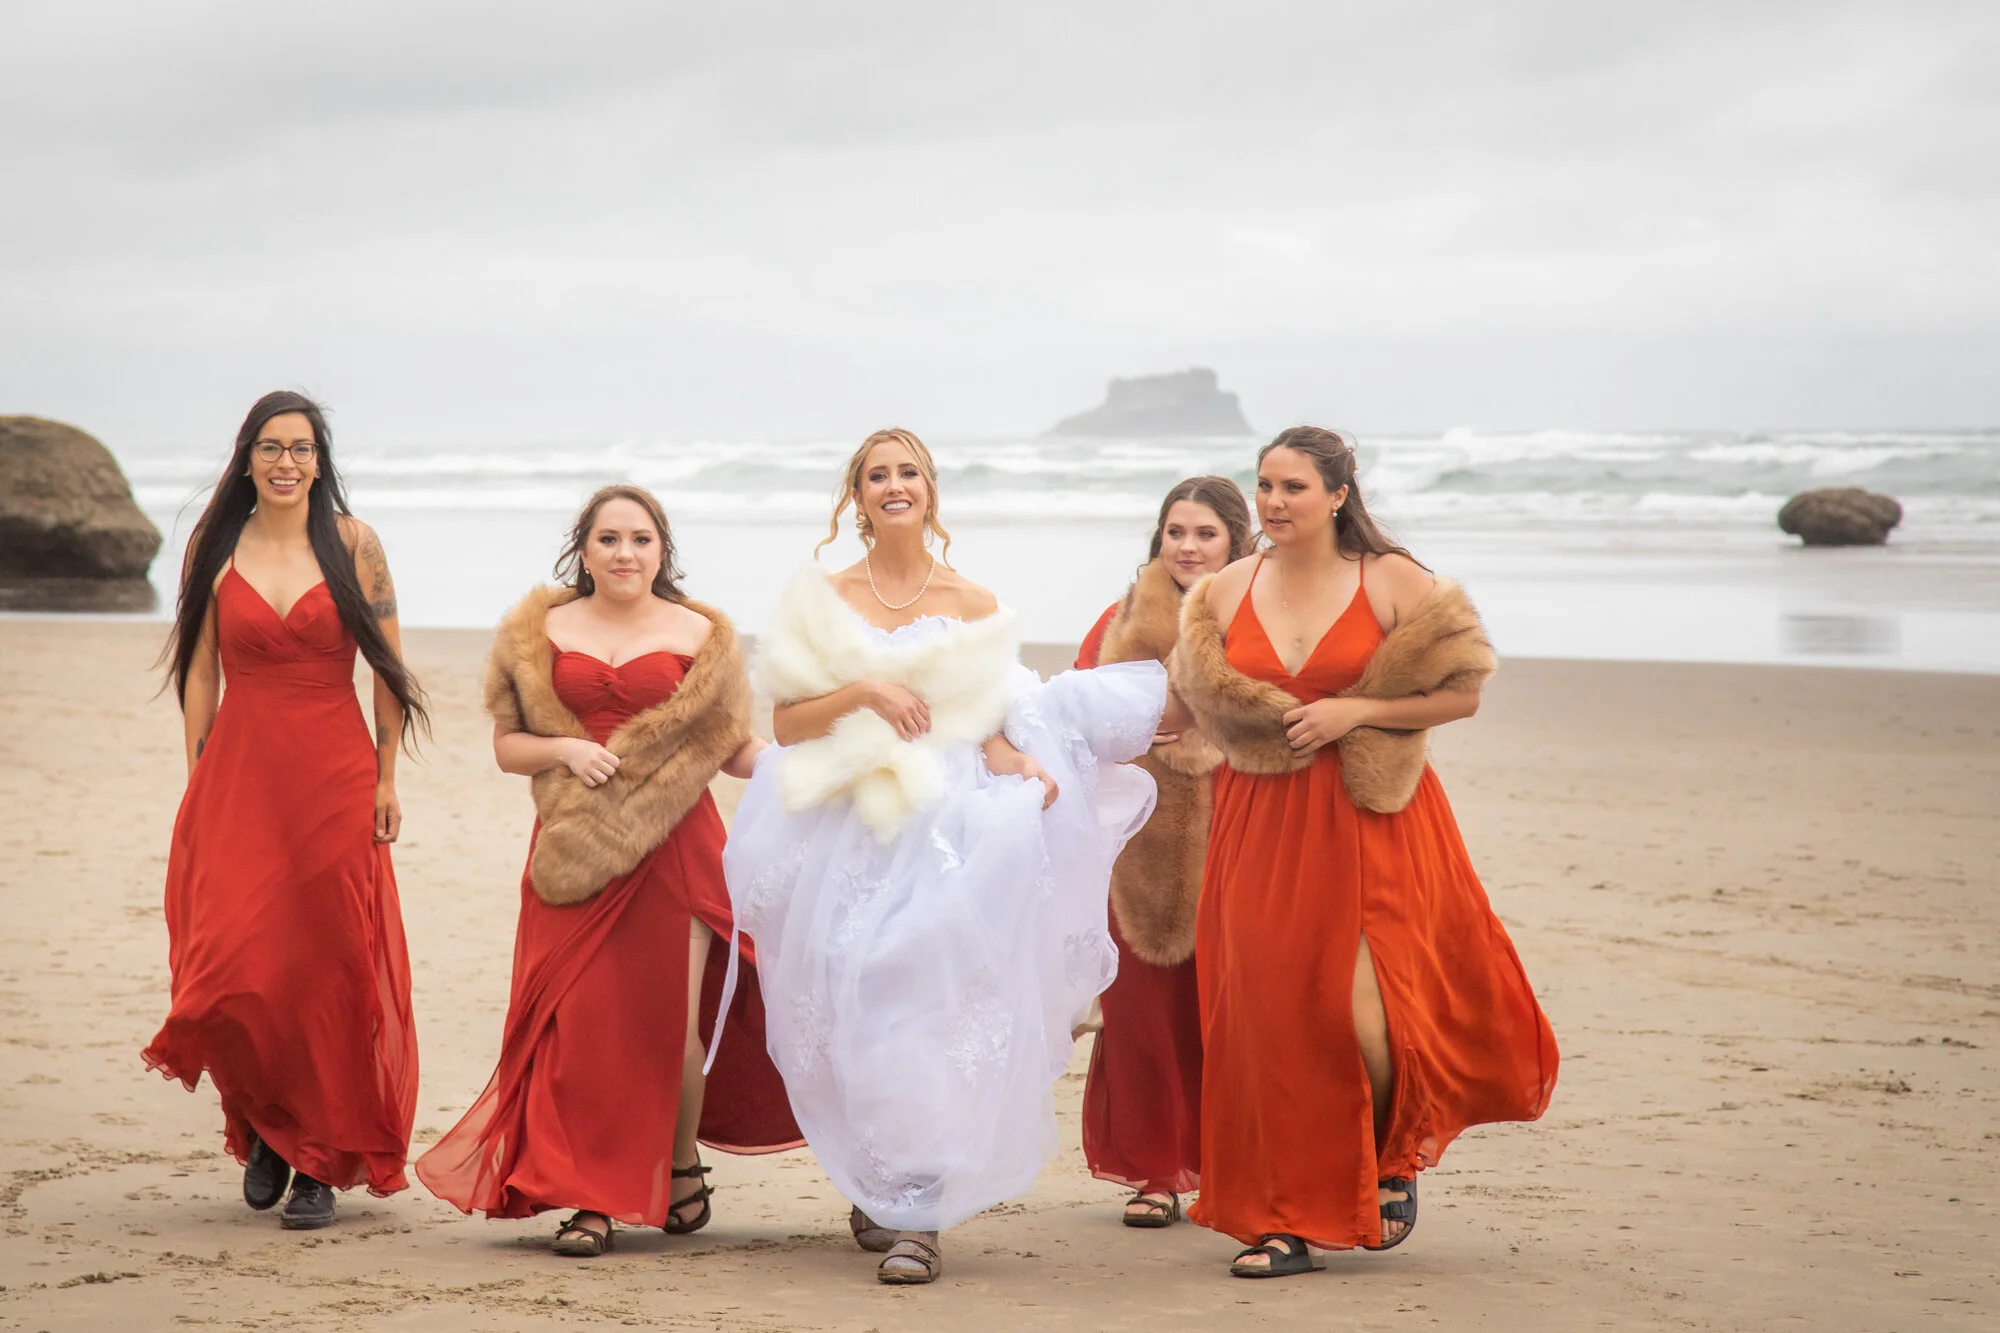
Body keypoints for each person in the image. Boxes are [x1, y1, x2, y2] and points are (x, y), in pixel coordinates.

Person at [724, 428, 1173, 1284]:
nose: (895, 486)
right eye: (877, 475)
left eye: (910, 473)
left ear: (931, 491)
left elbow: (991, 725)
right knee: (856, 995)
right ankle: (884, 1168)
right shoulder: (823, 596)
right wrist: (864, 692)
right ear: (855, 498)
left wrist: (1021, 763)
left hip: (949, 822)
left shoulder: (971, 599)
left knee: (928, 994)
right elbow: (785, 726)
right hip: (852, 826)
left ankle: (918, 1211)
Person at [1171, 426, 1559, 1277]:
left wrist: (1356, 712)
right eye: (1265, 485)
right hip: (1259, 821)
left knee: (1363, 1019)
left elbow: (1460, 693)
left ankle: (1386, 1154)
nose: (1273, 502)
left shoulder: (1390, 579)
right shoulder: (1226, 589)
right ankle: (1283, 1217)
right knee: (1268, 1021)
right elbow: (1197, 701)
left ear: (1339, 494)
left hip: (1370, 818)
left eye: (1294, 487)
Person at [416, 485, 801, 1255]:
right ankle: (591, 1199)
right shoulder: (538, 631)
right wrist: (565, 749)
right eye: (609, 539)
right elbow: (507, 746)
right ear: (583, 548)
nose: (626, 552)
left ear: (663, 551)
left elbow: (734, 749)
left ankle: (679, 1164)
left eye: (641, 539)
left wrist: (815, 766)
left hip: (678, 849)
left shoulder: (704, 634)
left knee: (673, 1030)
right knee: (577, 1025)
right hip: (574, 849)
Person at [145, 390, 425, 1230]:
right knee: (238, 958)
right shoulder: (213, 544)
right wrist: (199, 774)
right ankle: (265, 1125)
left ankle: (315, 1162)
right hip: (241, 773)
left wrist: (385, 779)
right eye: (270, 447)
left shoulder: (353, 544)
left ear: (319, 459)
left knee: (326, 962)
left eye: (301, 448)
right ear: (247, 457)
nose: (285, 463)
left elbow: (389, 671)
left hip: (334, 776)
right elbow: (198, 671)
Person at [1072, 476, 1253, 1228]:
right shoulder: (1118, 622)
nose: (1187, 545)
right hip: (1136, 842)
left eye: (1205, 532)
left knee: (1228, 1010)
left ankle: (1234, 1168)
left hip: (1236, 829)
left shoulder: (1263, 615)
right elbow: (1076, 715)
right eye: (1175, 530)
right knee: (1141, 1009)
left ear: (1237, 543)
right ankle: (1154, 1170)